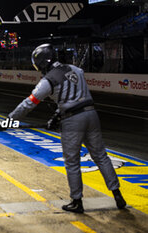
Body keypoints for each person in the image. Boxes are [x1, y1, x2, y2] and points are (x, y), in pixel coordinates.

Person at [7, 44, 126, 213]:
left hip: (73, 121)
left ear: (41, 63)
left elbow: (29, 103)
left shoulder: (47, 81)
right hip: (91, 115)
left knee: (72, 162)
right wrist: (56, 116)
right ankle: (117, 194)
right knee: (101, 156)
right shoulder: (76, 70)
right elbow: (75, 96)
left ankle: (77, 201)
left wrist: (10, 119)